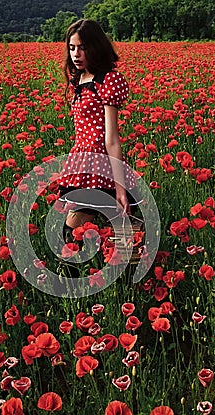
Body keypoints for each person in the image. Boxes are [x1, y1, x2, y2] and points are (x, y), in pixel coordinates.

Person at [57, 19, 141, 249]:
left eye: (82, 47)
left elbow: (111, 139)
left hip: (101, 163)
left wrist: (120, 189)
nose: (76, 54)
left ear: (96, 47)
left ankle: (117, 278)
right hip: (82, 162)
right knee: (74, 232)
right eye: (72, 48)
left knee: (119, 230)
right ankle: (83, 277)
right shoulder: (78, 80)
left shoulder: (107, 80)